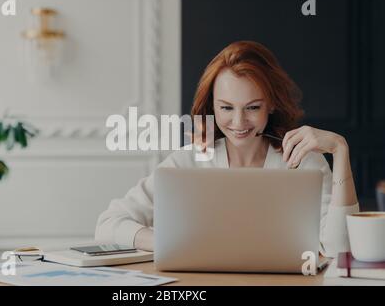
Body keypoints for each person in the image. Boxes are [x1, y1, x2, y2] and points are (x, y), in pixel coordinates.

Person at [95, 41, 359, 258]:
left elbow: (339, 248)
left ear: (272, 105)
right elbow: (108, 224)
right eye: (226, 108)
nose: (238, 122)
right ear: (212, 106)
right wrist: (166, 242)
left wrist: (340, 150)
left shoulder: (303, 161)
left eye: (253, 107)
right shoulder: (189, 161)